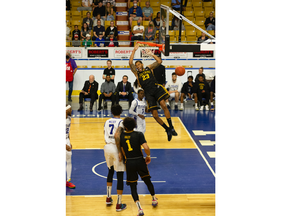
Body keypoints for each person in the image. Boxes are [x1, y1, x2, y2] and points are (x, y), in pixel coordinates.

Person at [129, 43, 177, 141]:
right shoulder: (136, 73)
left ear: (142, 64)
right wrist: (134, 50)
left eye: (139, 64)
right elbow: (130, 63)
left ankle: (171, 126)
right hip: (148, 93)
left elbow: (159, 61)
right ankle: (167, 129)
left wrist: (151, 54)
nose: (137, 66)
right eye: (136, 65)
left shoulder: (149, 68)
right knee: (155, 115)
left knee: (163, 104)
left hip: (156, 88)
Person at [115, 117, 158, 216]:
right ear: (134, 125)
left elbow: (120, 146)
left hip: (129, 162)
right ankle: (154, 199)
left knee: (133, 187)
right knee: (147, 180)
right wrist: (148, 156)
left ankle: (139, 209)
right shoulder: (139, 134)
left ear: (125, 126)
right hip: (139, 160)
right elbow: (146, 147)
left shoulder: (121, 136)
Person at [103, 104, 127, 212]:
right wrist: (121, 151)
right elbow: (119, 137)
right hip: (116, 148)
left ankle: (108, 198)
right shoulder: (122, 122)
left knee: (110, 171)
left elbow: (104, 134)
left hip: (107, 147)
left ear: (111, 112)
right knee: (120, 175)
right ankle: (119, 204)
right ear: (121, 112)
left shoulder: (107, 122)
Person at [66, 105, 76, 189]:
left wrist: (69, 141)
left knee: (69, 160)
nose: (71, 110)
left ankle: (67, 180)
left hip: (66, 140)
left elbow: (67, 131)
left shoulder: (69, 118)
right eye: (70, 109)